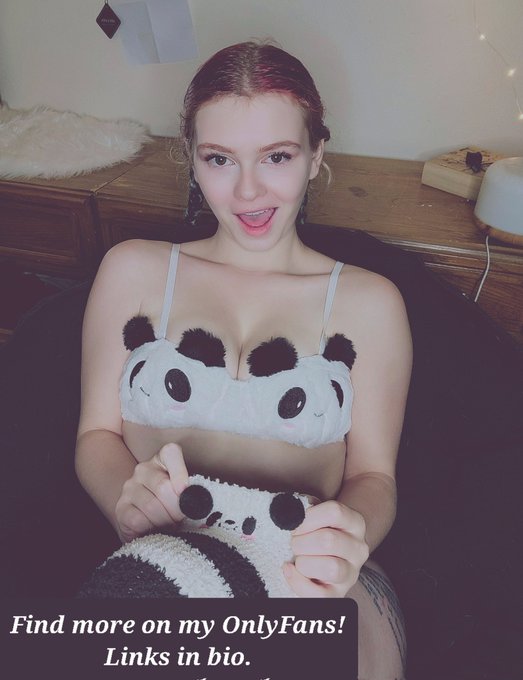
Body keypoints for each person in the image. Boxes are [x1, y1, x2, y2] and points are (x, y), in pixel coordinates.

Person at [75, 41, 412, 678]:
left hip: (308, 577)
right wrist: (127, 497)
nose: (248, 190)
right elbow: (95, 435)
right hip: (165, 561)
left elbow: (376, 477)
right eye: (220, 159)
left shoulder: (369, 303)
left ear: (316, 155)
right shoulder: (134, 270)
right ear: (191, 157)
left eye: (277, 156)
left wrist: (349, 535)